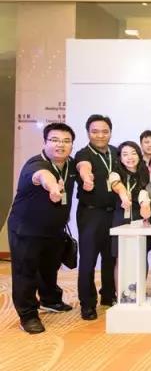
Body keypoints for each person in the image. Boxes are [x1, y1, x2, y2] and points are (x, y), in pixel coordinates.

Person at [8, 123, 77, 333]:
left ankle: (50, 299)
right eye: (54, 140)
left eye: (66, 141)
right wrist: (53, 187)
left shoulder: (70, 164)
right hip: (27, 230)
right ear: (45, 142)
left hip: (54, 230)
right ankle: (28, 315)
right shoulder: (36, 164)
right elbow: (42, 177)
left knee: (49, 267)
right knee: (25, 272)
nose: (60, 145)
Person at [75, 114, 119, 320]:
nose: (100, 135)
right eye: (95, 131)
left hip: (114, 213)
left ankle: (108, 295)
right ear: (88, 133)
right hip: (91, 213)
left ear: (110, 132)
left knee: (111, 257)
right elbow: (83, 167)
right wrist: (87, 178)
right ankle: (87, 304)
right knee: (88, 259)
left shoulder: (116, 152)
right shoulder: (83, 154)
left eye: (104, 131)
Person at [110, 142, 149, 258]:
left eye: (133, 153)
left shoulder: (146, 172)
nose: (130, 157)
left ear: (139, 155)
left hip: (140, 218)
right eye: (125, 154)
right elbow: (117, 185)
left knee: (141, 256)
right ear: (120, 158)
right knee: (120, 256)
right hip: (121, 217)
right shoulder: (115, 173)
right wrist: (124, 196)